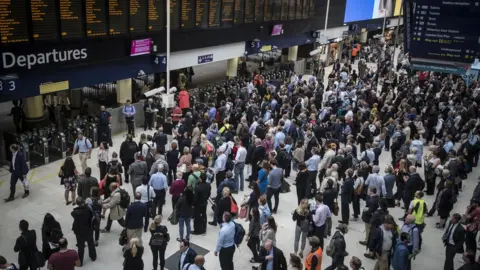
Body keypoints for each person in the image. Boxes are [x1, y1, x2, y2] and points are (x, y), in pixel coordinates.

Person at [71, 197, 97, 265]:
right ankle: (93, 257)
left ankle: (80, 262)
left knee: (81, 247)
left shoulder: (75, 212)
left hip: (79, 232)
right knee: (91, 244)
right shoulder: (88, 209)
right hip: (88, 230)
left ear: (77, 203)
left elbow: (72, 213)